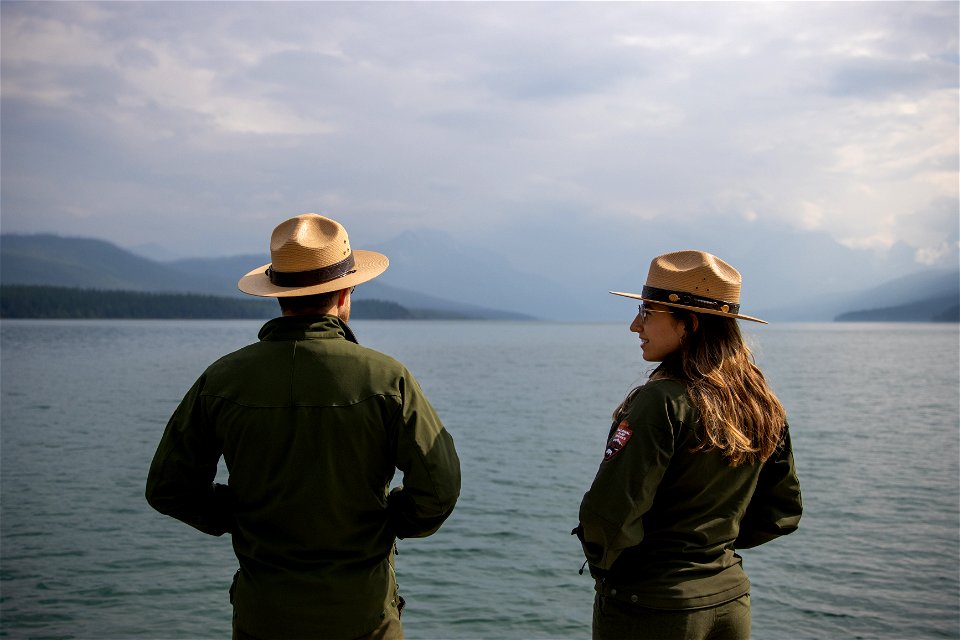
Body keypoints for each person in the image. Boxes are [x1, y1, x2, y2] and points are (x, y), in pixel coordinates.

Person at [146, 213, 461, 640]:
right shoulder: (388, 379)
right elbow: (438, 489)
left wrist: (239, 514)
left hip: (263, 616)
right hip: (363, 616)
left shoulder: (221, 380)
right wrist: (387, 521)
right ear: (345, 291)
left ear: (277, 294)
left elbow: (168, 487)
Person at [575, 250, 802, 640]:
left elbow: (610, 512)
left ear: (689, 324)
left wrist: (619, 568)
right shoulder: (761, 400)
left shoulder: (661, 401)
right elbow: (781, 511)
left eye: (647, 312)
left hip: (651, 607)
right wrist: (709, 550)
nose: (634, 325)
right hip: (729, 602)